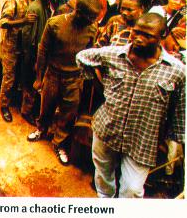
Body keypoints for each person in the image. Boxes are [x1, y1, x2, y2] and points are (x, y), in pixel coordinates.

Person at [76, 13, 185, 198]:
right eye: (136, 32)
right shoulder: (112, 54)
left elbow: (180, 110)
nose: (139, 39)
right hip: (106, 129)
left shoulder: (177, 70)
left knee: (132, 190)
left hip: (143, 139)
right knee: (103, 176)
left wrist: (169, 138)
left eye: (147, 35)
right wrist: (101, 85)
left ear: (163, 34)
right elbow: (82, 57)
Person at [28, 0, 101, 166]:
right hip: (53, 74)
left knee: (69, 112)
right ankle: (41, 129)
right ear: (78, 12)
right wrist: (39, 78)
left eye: (94, 19)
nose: (92, 21)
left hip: (74, 78)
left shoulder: (91, 29)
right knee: (47, 105)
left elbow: (89, 54)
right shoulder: (55, 23)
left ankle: (59, 142)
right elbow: (42, 51)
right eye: (89, 17)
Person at [0, 0, 34, 122]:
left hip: (23, 44)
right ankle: (4, 105)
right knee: (9, 76)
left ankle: (18, 103)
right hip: (11, 45)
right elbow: (3, 22)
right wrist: (23, 21)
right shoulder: (13, 0)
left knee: (21, 75)